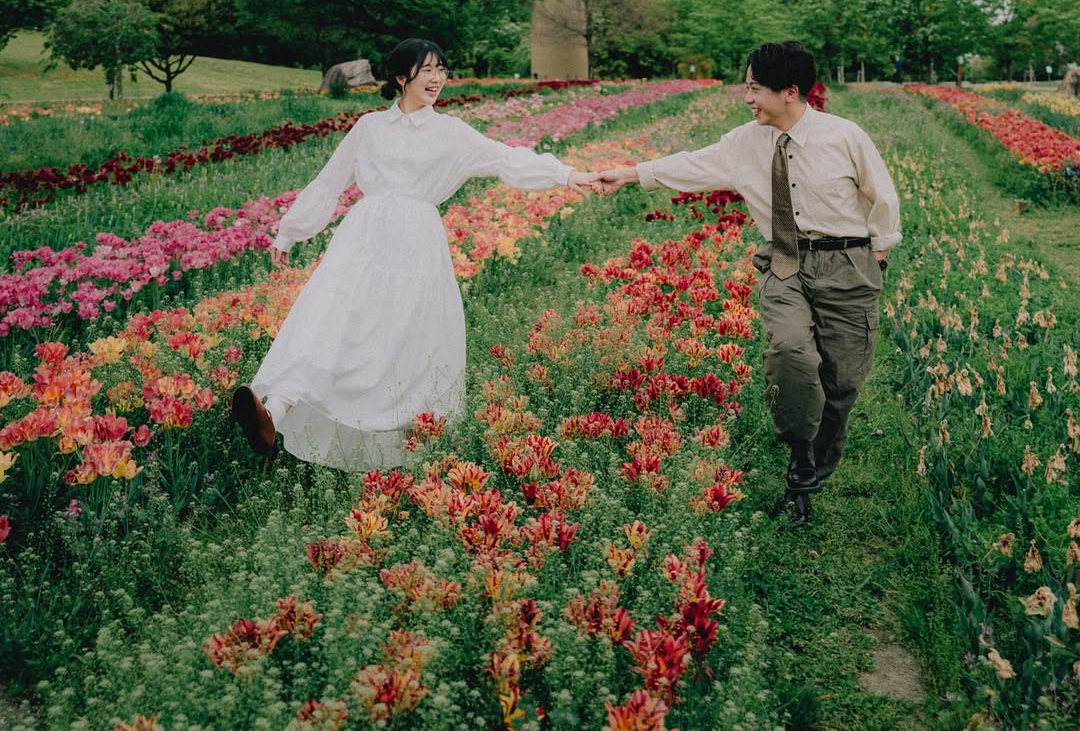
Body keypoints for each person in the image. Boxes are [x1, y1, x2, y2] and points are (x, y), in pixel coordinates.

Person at [231, 38, 599, 470]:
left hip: (417, 246)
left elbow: (507, 160)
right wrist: (290, 233)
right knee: (329, 322)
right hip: (362, 243)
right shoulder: (369, 128)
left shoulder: (451, 133)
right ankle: (273, 413)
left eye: (442, 70)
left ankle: (413, 450)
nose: (438, 78)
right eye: (428, 70)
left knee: (409, 337)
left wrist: (569, 174)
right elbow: (329, 182)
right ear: (401, 76)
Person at [598, 40, 901, 525]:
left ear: (791, 92)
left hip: (847, 264)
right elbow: (692, 164)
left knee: (840, 384)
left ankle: (816, 464)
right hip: (785, 263)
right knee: (790, 352)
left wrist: (879, 250)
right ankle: (800, 466)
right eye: (747, 87)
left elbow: (880, 194)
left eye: (755, 88)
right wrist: (630, 174)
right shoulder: (744, 142)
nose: (747, 97)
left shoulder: (844, 136)